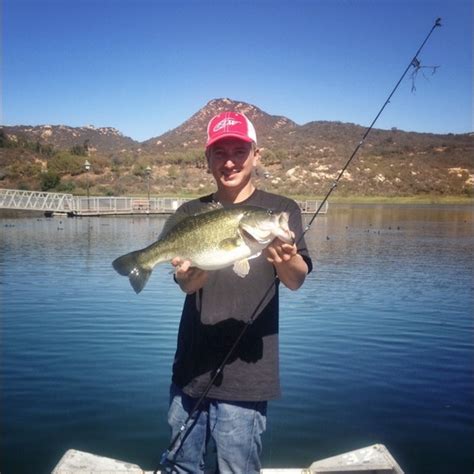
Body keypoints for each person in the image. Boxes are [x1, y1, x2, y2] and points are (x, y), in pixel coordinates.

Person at [162, 111, 313, 474]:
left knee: (237, 469)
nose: (229, 161)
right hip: (191, 370)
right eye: (219, 152)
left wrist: (284, 260)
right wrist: (191, 273)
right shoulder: (188, 213)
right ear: (208, 160)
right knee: (181, 466)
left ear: (256, 154)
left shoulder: (281, 211)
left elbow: (296, 279)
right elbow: (187, 285)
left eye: (239, 151)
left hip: (249, 375)